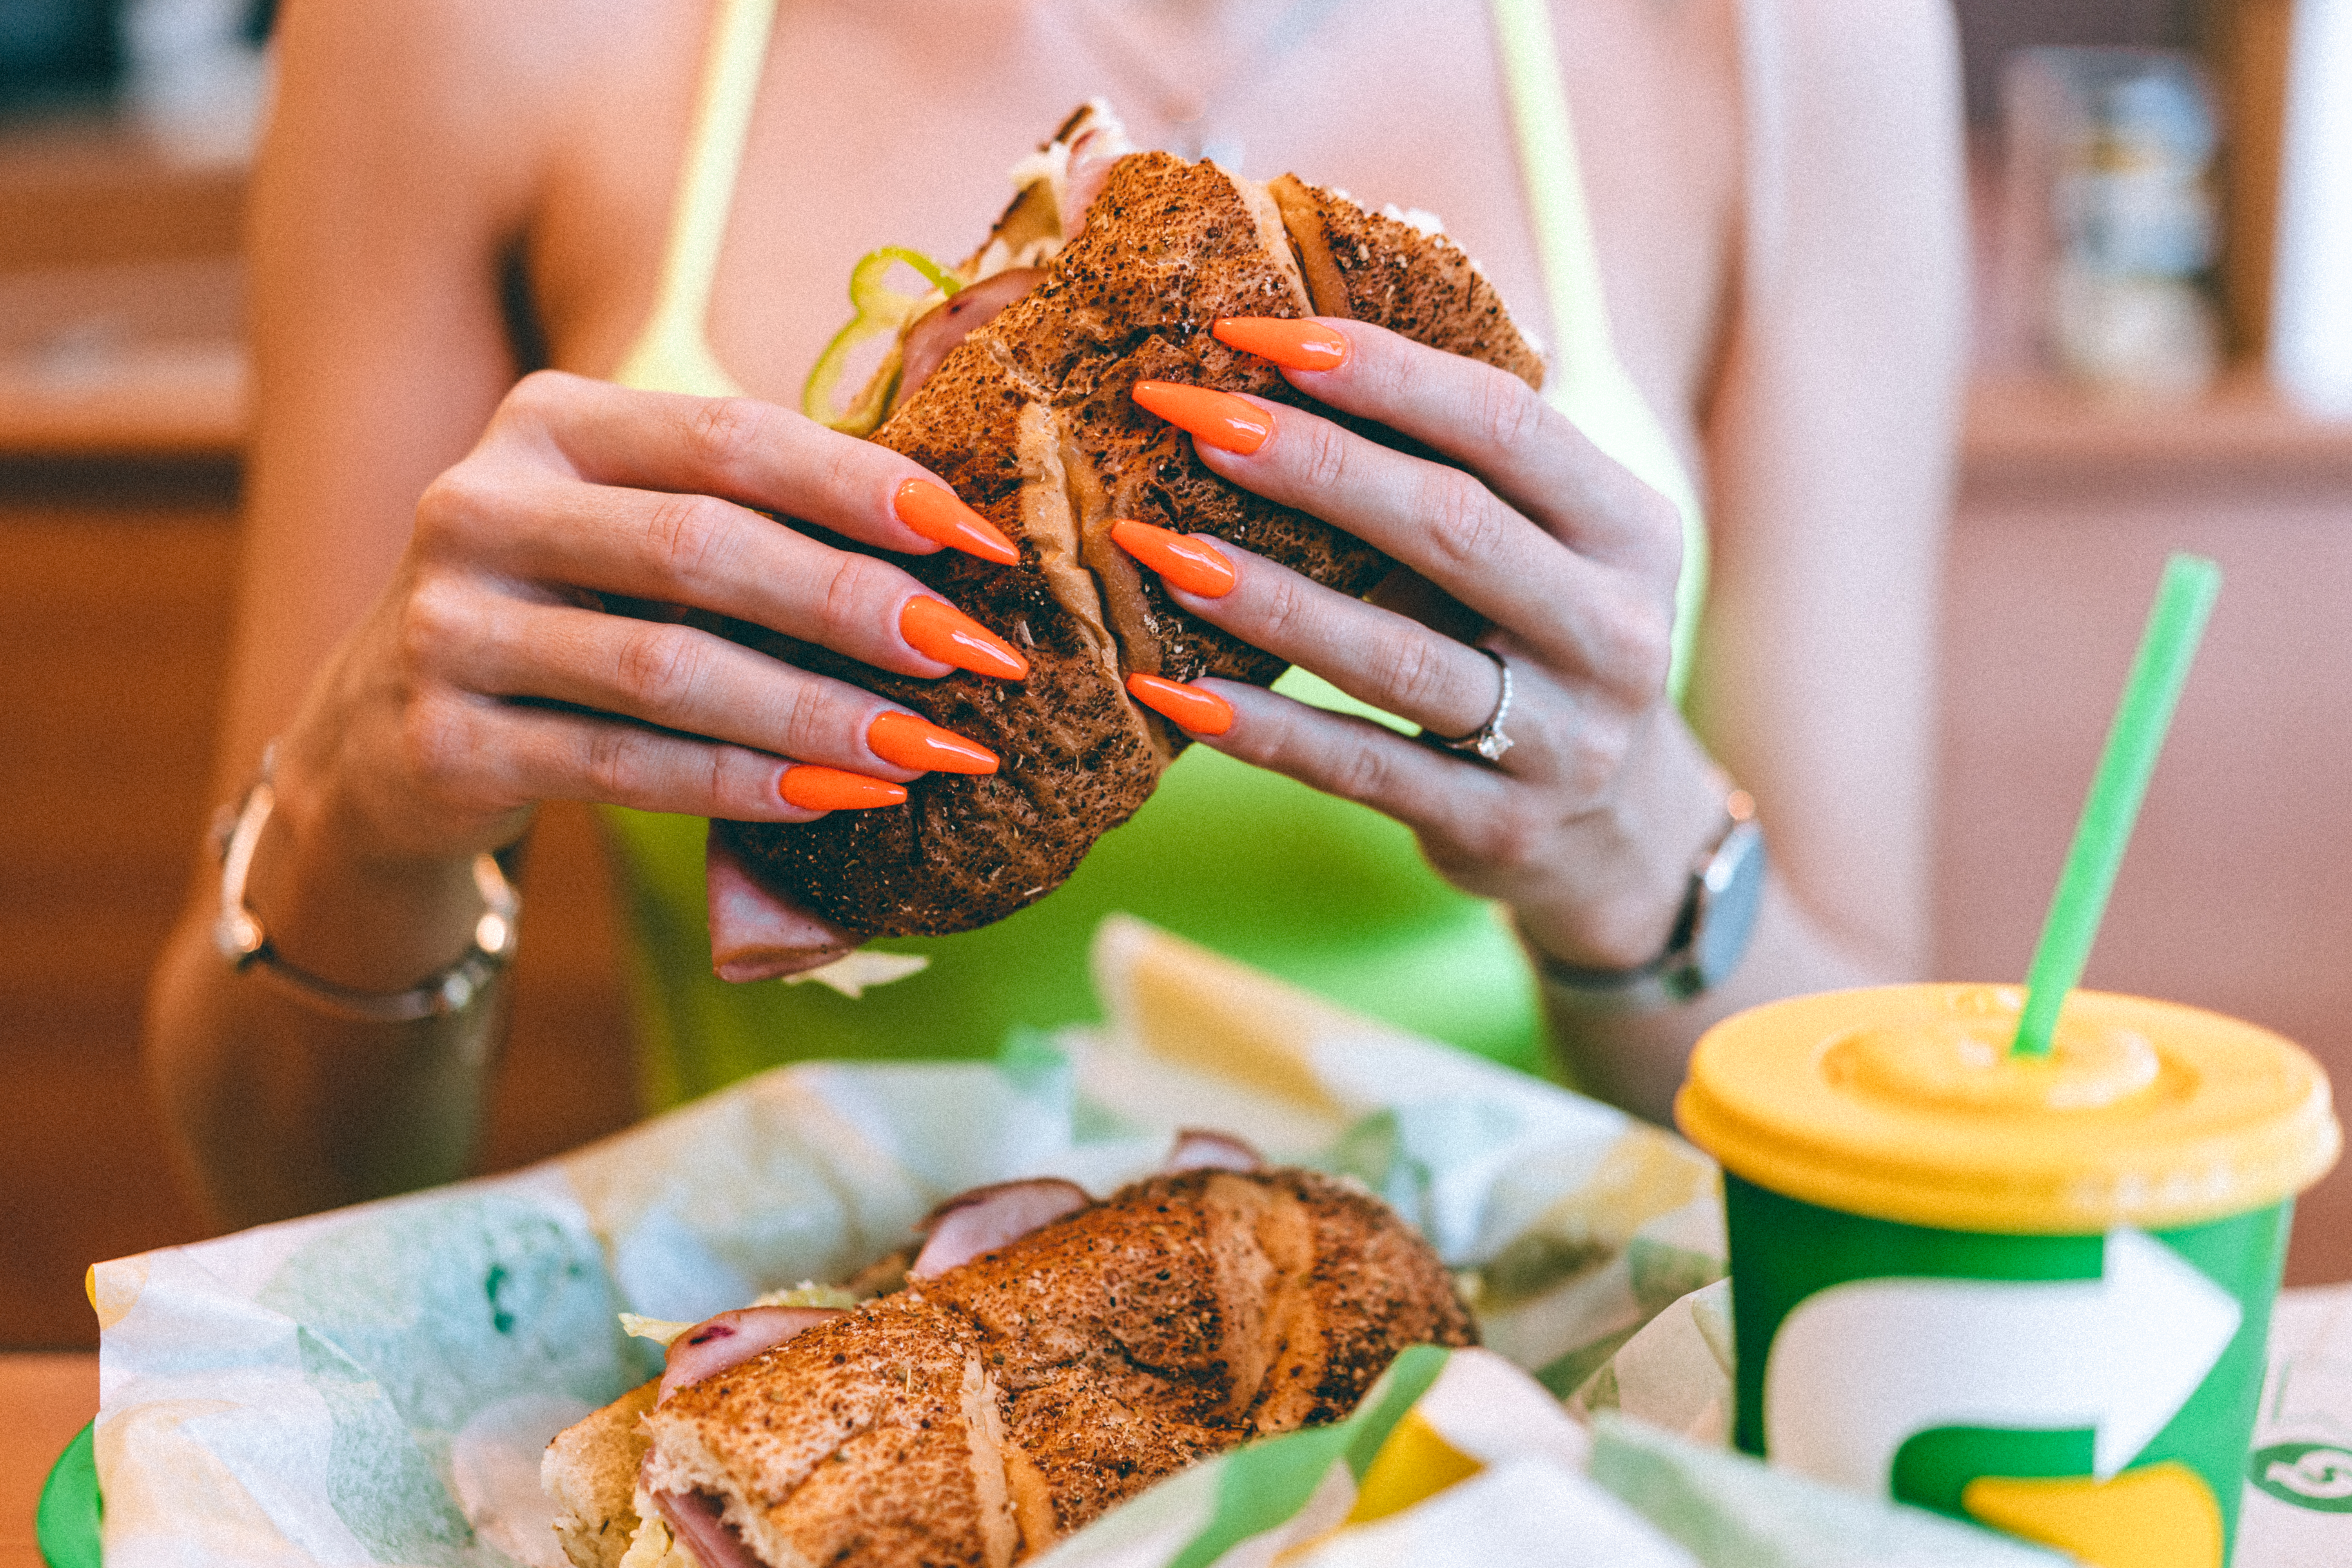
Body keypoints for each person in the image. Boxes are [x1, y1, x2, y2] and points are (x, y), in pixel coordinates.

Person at [145, 0, 1966, 1231]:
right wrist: (367, 807)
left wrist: (1621, 839)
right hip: (820, 1404)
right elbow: (268, 1179)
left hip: (1537, 1439)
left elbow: (1878, 1113)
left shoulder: (1790, 40)